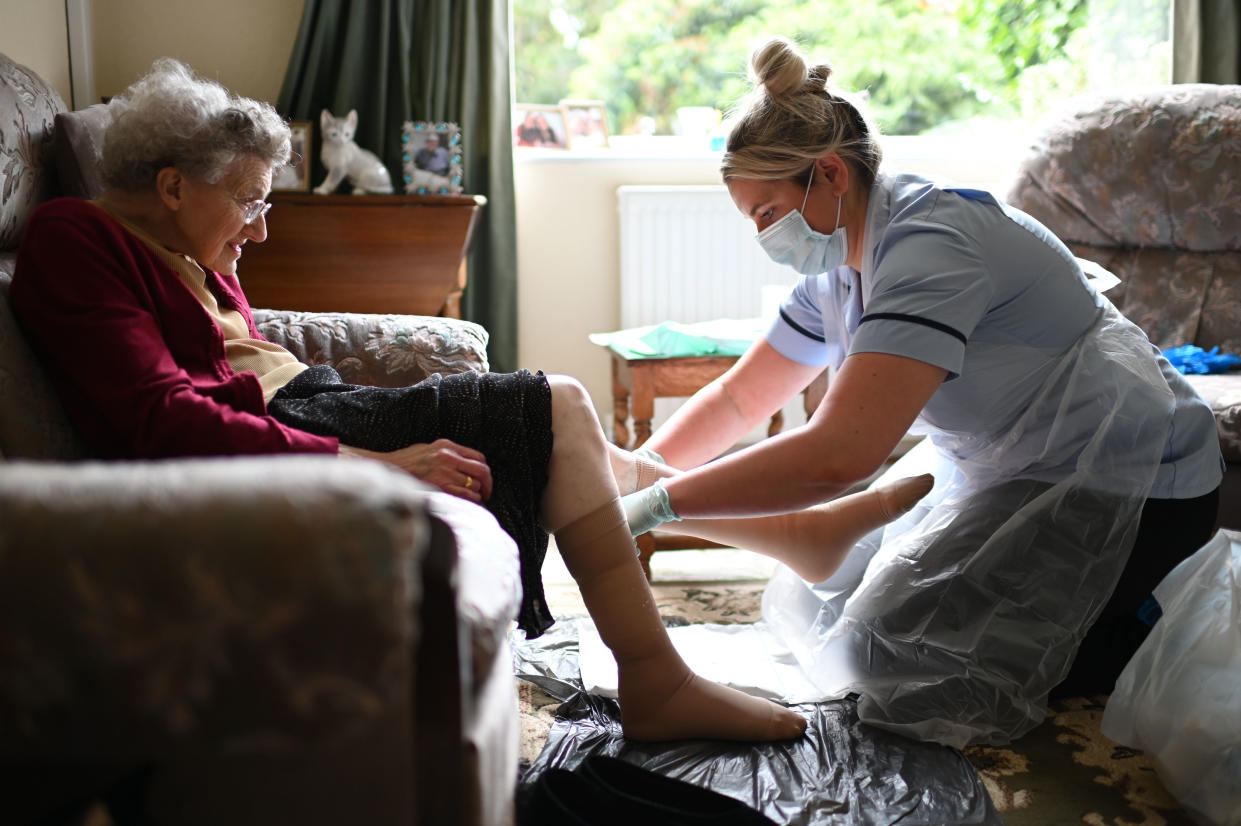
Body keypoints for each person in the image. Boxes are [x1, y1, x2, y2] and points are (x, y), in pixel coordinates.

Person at [11, 58, 935, 745]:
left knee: (579, 446)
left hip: (308, 407)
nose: (261, 227)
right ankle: (659, 675)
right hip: (289, 431)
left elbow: (232, 357)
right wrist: (372, 467)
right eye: (250, 202)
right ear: (171, 187)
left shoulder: (185, 250)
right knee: (561, 405)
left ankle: (791, 539)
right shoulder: (71, 239)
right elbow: (159, 415)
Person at [620, 37, 1224, 746]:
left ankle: (1148, 617)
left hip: (1136, 483)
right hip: (1013, 467)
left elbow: (841, 454)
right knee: (828, 611)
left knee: (892, 662)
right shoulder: (836, 269)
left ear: (829, 175)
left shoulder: (930, 243)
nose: (762, 236)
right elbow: (737, 400)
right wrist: (642, 470)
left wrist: (653, 505)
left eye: (764, 213)